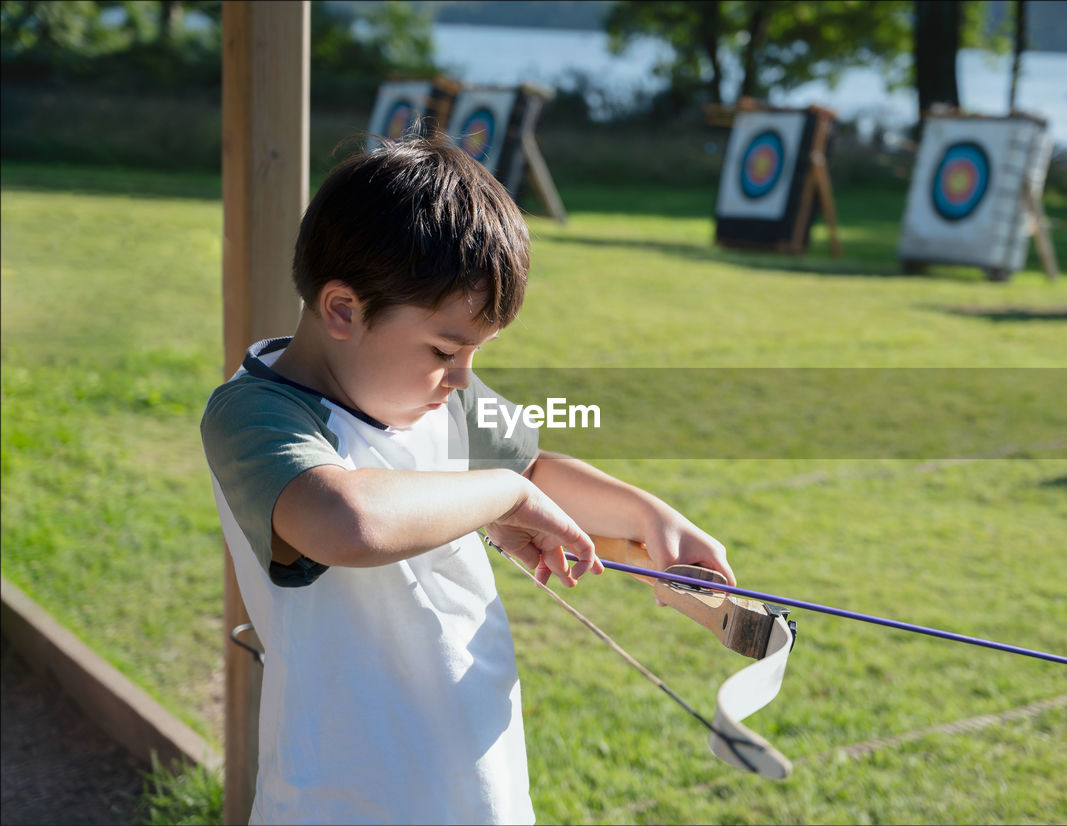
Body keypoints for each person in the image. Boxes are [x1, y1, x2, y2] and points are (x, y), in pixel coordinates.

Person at [200, 131, 736, 825]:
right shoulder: (256, 414)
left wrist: (649, 519)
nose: (463, 378)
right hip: (343, 792)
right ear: (342, 310)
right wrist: (505, 497)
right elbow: (346, 522)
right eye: (447, 349)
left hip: (478, 774)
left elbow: (533, 468)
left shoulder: (436, 393)